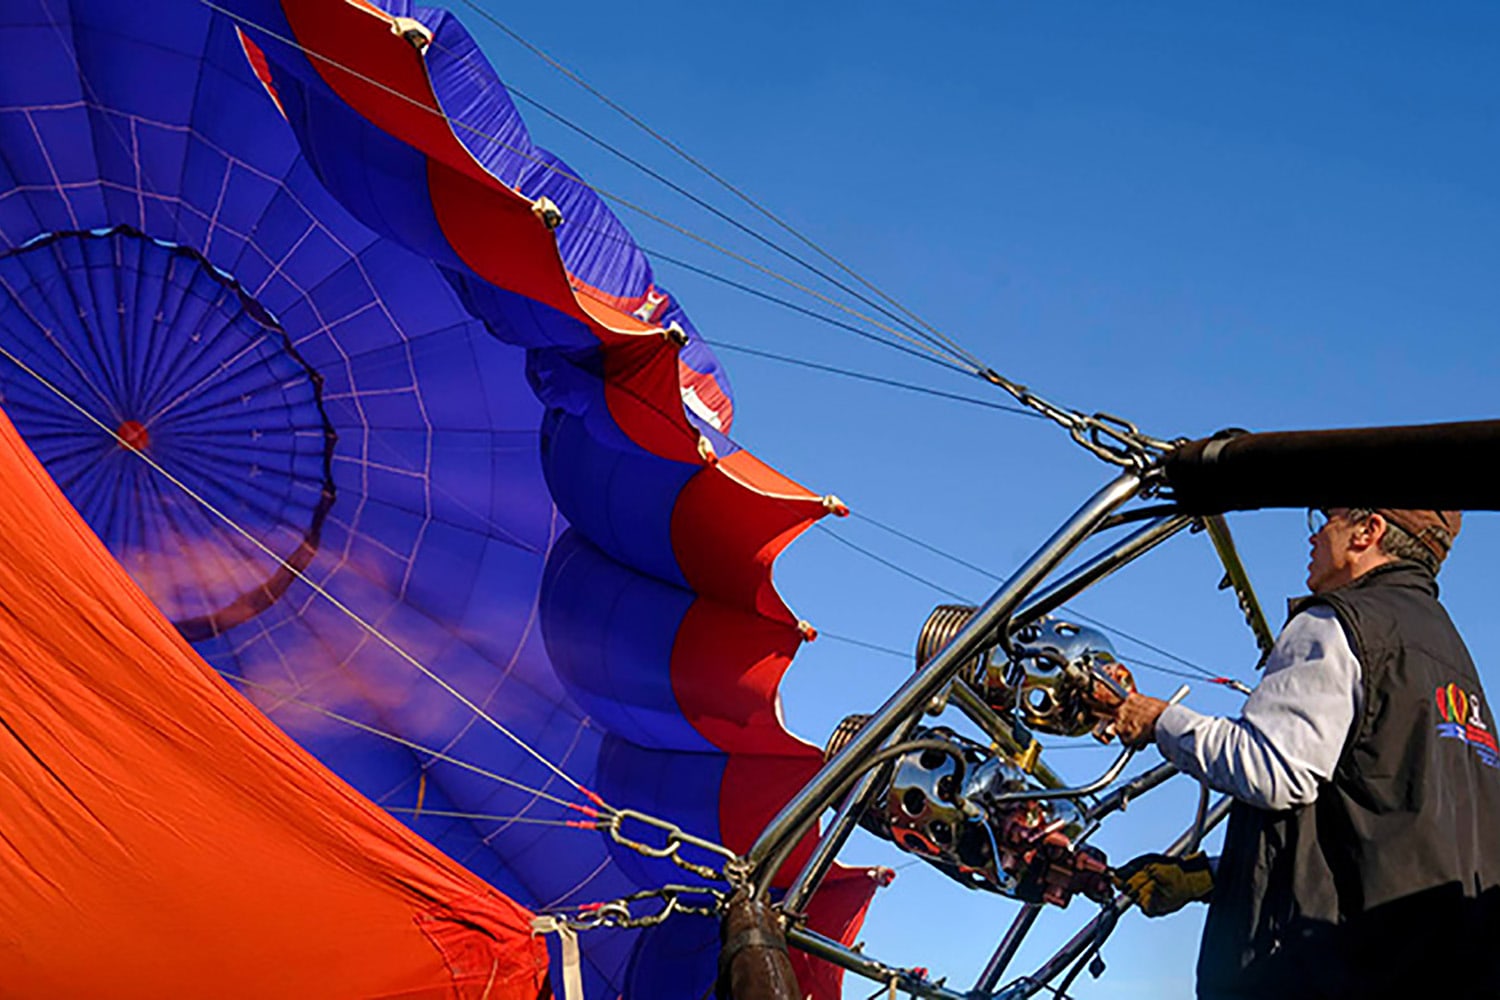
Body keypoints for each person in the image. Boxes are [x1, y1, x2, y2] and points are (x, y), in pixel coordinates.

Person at [1098, 507, 1500, 999]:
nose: (1313, 537)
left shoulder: (1339, 621)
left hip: (1324, 974)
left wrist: (1154, 718)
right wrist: (1214, 877)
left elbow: (1272, 769)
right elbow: (1390, 834)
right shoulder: (1455, 662)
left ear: (1367, 531)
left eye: (1326, 520)